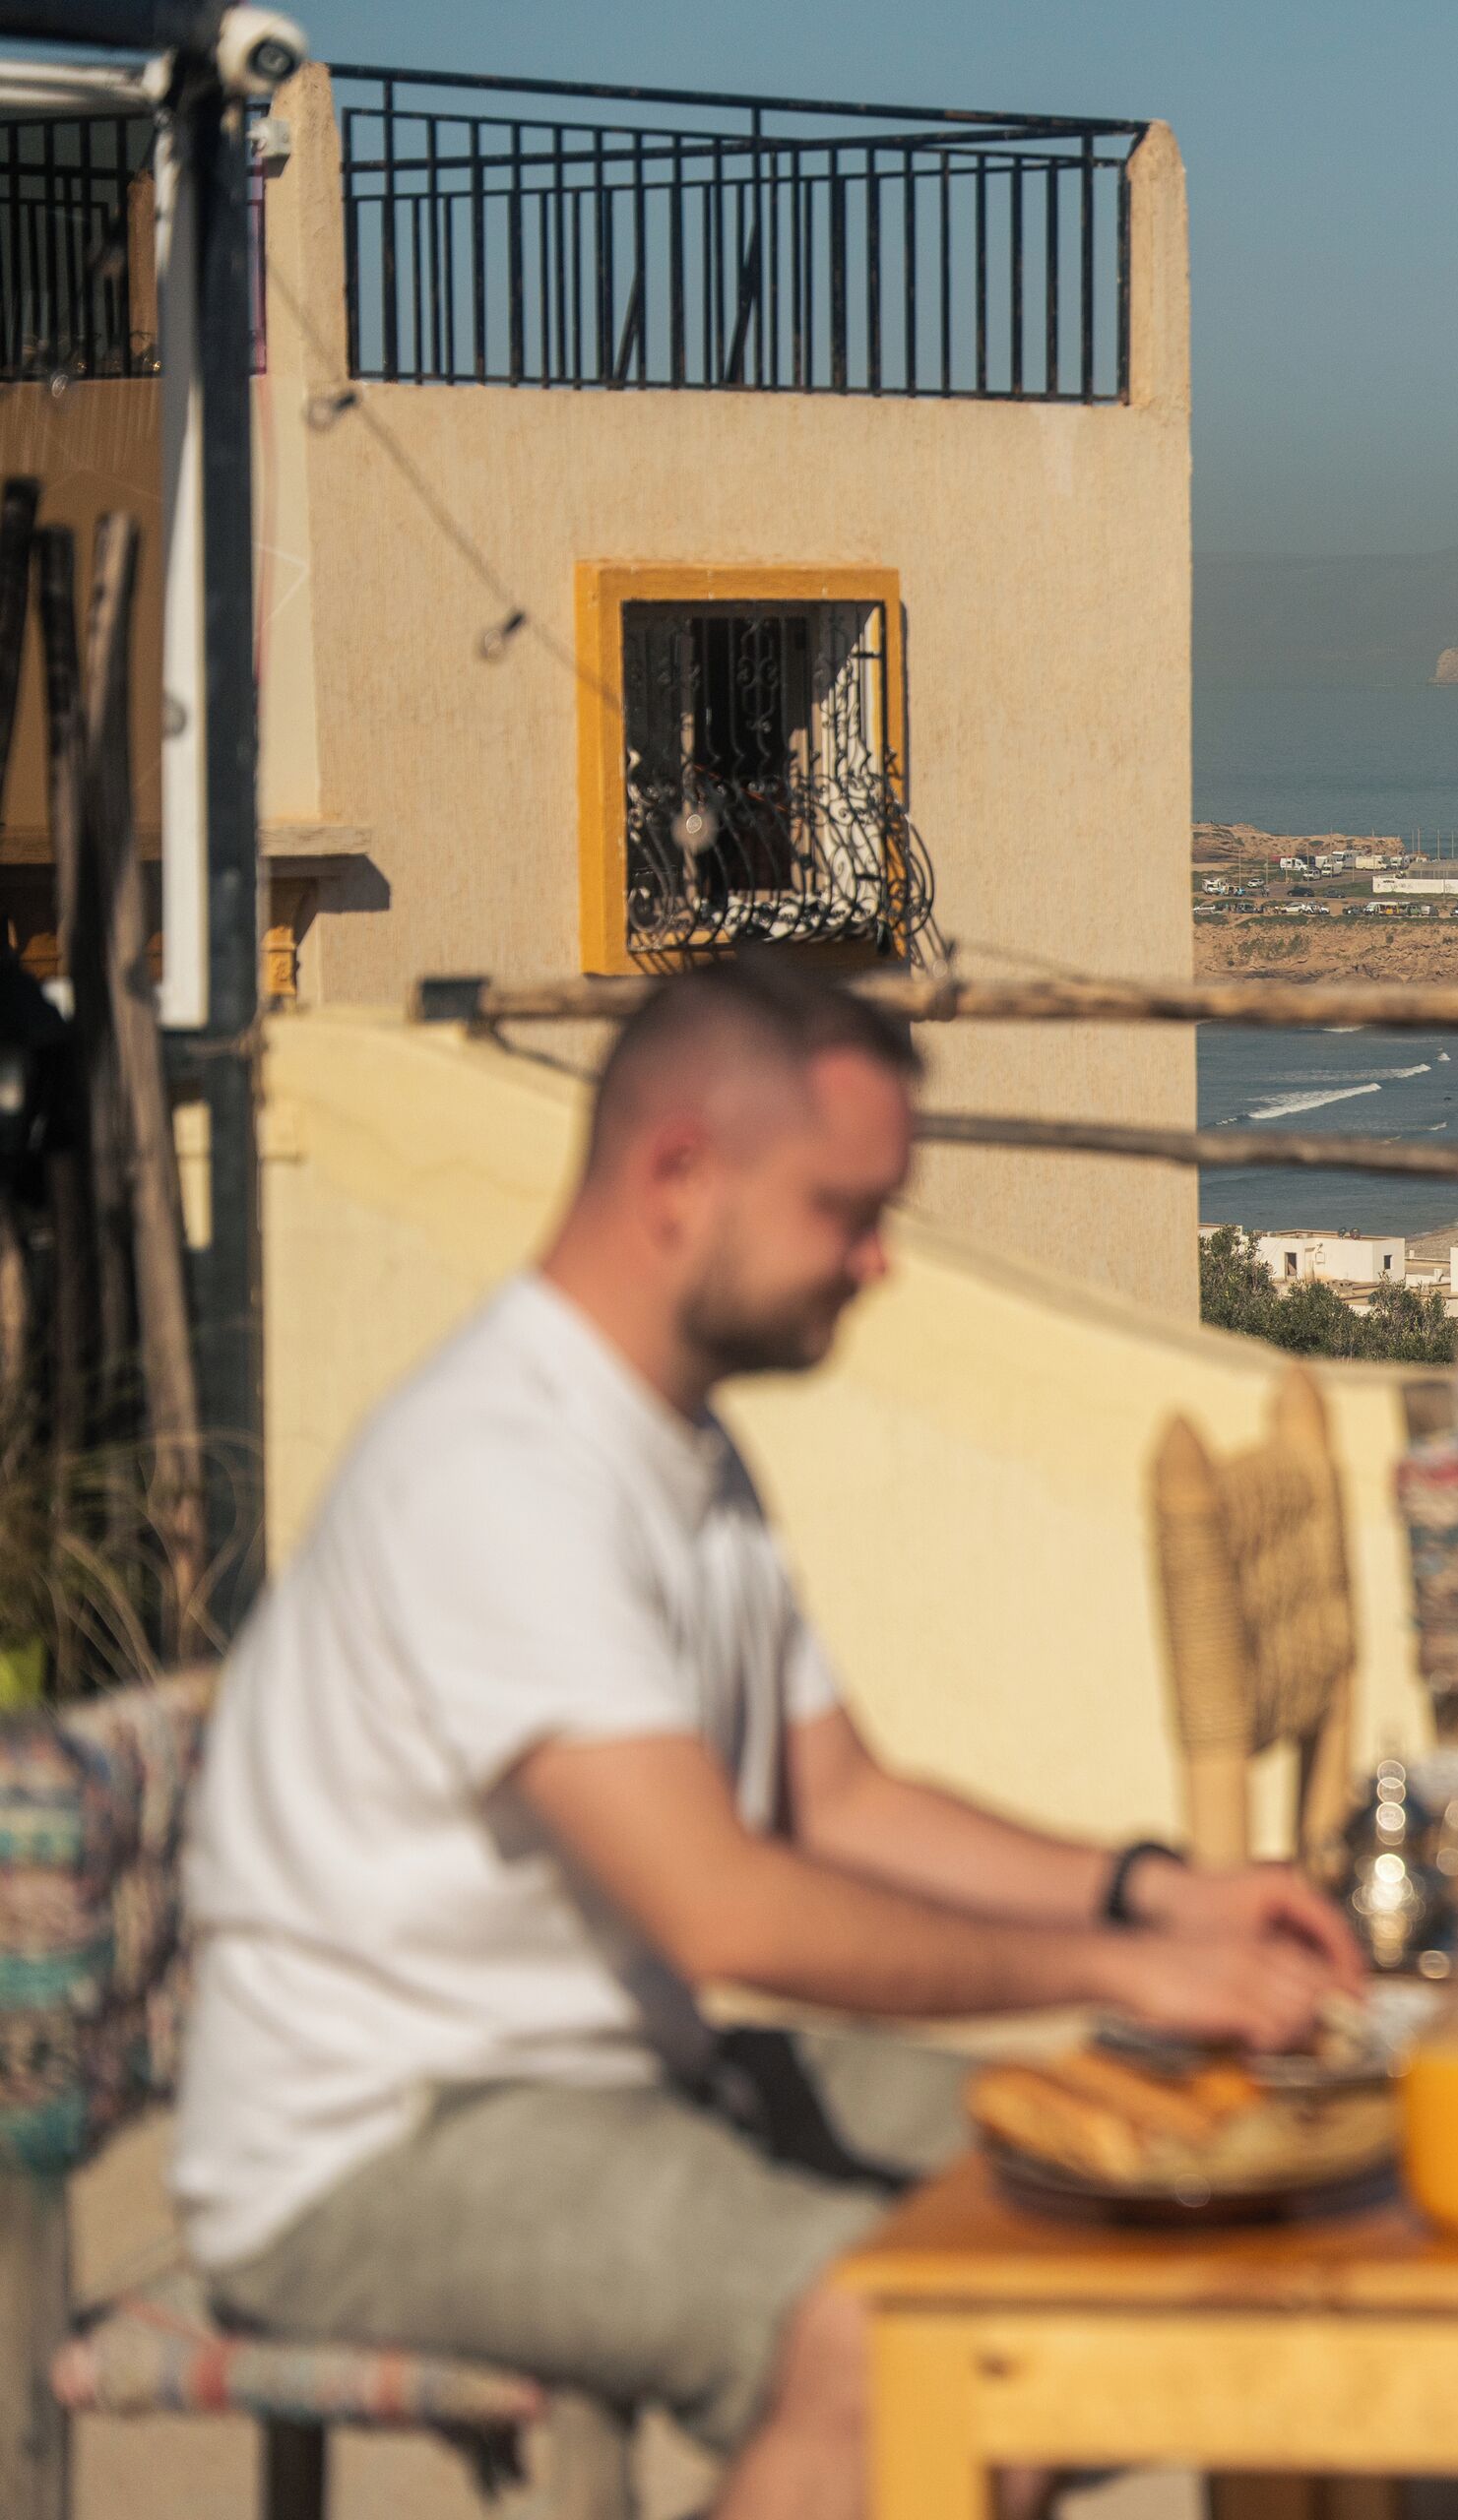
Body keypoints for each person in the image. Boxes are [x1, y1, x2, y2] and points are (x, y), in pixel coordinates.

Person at [175, 955, 1363, 2520]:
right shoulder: (502, 1473)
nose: (880, 1264)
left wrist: (1154, 1897)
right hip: (379, 2139)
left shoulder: (677, 1443)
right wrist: (1121, 1971)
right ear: (682, 1176)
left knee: (1161, 2185)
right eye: (846, 1211)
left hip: (625, 2067)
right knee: (900, 2340)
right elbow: (723, 1907)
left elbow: (842, 1799)